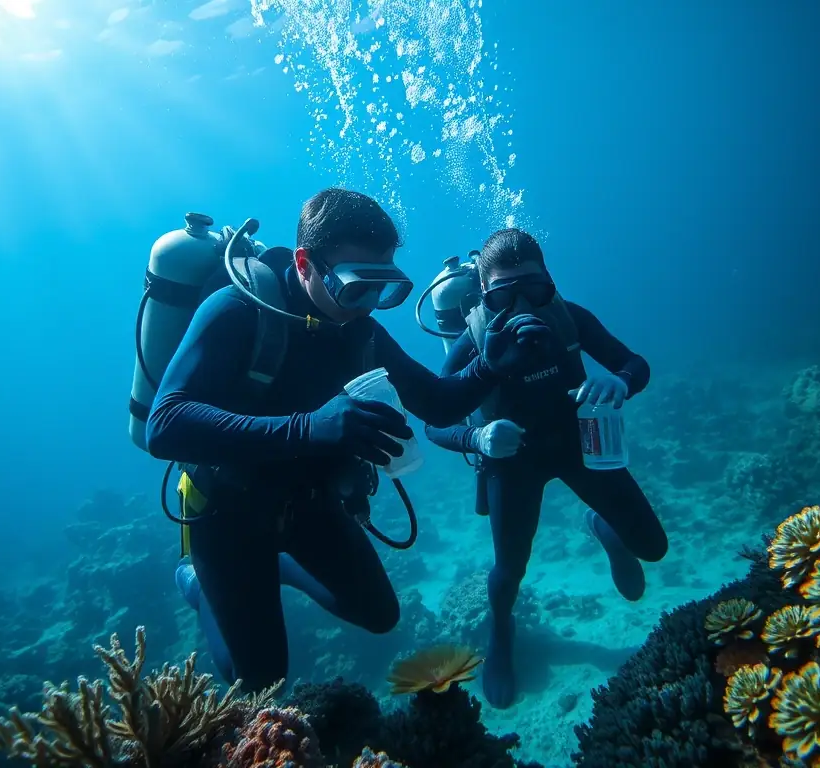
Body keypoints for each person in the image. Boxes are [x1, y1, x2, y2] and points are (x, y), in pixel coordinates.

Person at [145, 189, 550, 693]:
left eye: (385, 288)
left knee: (380, 615)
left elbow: (439, 402)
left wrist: (491, 365)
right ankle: (197, 584)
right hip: (228, 513)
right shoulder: (236, 310)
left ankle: (281, 567)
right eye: (356, 286)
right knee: (260, 679)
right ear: (304, 263)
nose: (367, 306)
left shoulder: (361, 333)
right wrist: (307, 427)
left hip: (311, 504)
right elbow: (164, 424)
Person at [423, 228, 668, 709]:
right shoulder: (474, 342)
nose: (523, 306)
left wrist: (620, 382)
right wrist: (477, 438)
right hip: (510, 463)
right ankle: (501, 635)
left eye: (534, 290)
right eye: (504, 294)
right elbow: (434, 420)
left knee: (654, 549)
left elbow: (634, 363)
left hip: (579, 445)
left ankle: (605, 528)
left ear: (550, 283)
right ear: (484, 291)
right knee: (510, 569)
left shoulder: (569, 319)